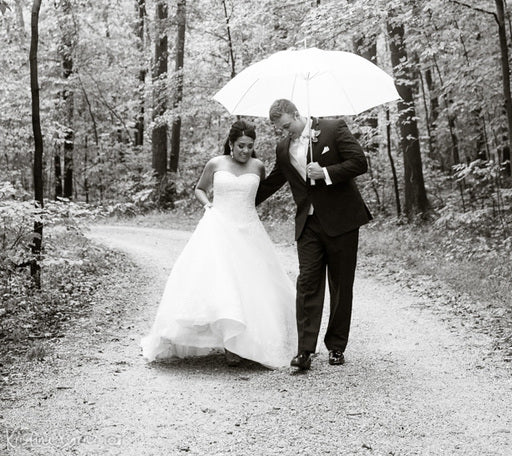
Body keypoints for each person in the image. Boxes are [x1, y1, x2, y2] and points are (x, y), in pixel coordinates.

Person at [141, 120, 297, 369]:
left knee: (251, 286)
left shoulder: (258, 166)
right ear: (231, 144)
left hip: (248, 230)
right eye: (241, 146)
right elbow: (200, 189)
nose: (245, 151)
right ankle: (229, 344)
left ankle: (247, 342)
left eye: (249, 146)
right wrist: (207, 204)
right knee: (223, 284)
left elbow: (257, 195)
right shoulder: (216, 163)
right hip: (218, 227)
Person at [255, 99, 371, 370]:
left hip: (342, 221)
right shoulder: (283, 147)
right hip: (308, 224)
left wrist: (326, 172)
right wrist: (241, 197)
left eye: (288, 125)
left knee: (340, 286)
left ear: (297, 114)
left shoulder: (333, 128)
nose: (286, 132)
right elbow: (274, 180)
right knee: (307, 282)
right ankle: (305, 350)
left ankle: (337, 347)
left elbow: (358, 163)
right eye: (281, 129)